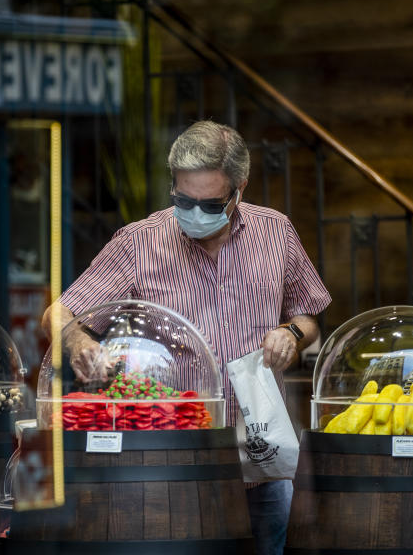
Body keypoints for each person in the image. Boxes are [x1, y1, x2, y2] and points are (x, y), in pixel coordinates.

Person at [41, 120, 331, 555]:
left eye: (211, 204)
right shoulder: (140, 242)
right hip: (172, 459)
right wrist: (80, 342)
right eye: (183, 200)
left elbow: (309, 318)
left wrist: (292, 333)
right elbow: (59, 312)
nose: (195, 213)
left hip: (259, 453)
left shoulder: (276, 233)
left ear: (239, 190)